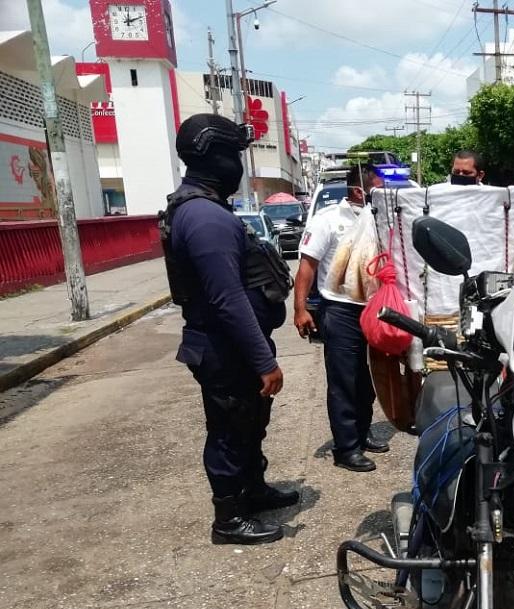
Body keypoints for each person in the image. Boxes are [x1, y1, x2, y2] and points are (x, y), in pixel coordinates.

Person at [163, 114, 296, 545]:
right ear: (216, 157)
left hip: (230, 346)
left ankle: (253, 492)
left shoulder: (203, 207)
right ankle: (229, 518)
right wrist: (265, 361)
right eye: (235, 155)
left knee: (249, 423)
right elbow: (228, 300)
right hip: (224, 348)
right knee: (229, 430)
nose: (238, 165)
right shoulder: (204, 217)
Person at [293, 164, 388, 472]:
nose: (383, 194)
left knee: (368, 377)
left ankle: (362, 431)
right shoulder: (328, 220)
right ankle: (346, 448)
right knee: (344, 380)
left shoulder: (379, 218)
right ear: (360, 191)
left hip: (375, 308)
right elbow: (306, 267)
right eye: (378, 188)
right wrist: (300, 308)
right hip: (341, 310)